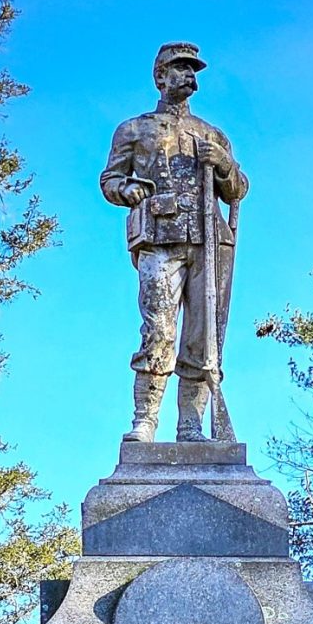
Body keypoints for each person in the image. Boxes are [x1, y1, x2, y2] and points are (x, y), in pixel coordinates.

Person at [100, 42, 249, 442]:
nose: (189, 76)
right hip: (159, 237)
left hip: (209, 241)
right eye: (180, 68)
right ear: (160, 76)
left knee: (205, 339)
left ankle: (191, 426)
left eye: (193, 70)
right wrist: (127, 189)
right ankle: (145, 421)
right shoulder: (134, 129)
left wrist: (223, 164)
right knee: (158, 330)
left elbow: (238, 190)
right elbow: (109, 180)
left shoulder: (212, 135)